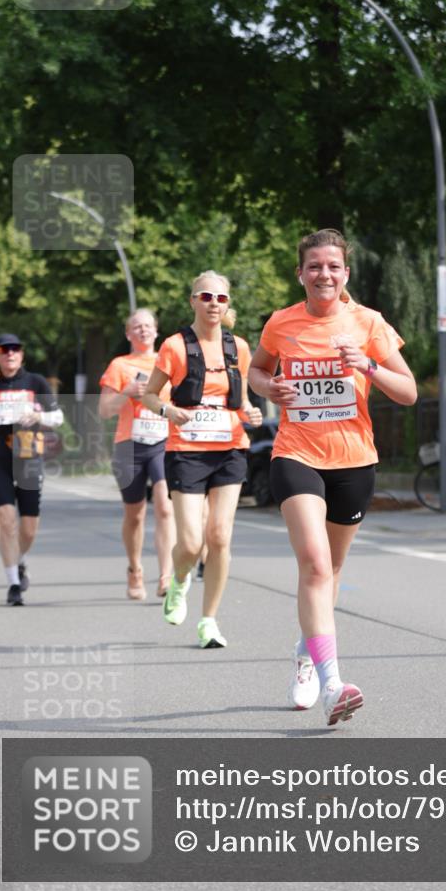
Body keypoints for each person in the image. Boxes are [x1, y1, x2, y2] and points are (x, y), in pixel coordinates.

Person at [248, 229, 417, 725]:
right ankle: (331, 683)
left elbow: (407, 391)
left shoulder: (368, 322)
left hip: (354, 459)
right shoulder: (281, 323)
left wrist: (366, 365)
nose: (324, 274)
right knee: (316, 565)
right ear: (300, 273)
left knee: (333, 571)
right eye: (315, 266)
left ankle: (306, 652)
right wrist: (270, 388)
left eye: (333, 266)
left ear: (346, 273)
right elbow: (257, 371)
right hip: (296, 453)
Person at [143, 271, 262, 648]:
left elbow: (240, 400)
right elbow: (149, 395)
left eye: (221, 298)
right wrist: (168, 412)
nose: (214, 303)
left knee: (220, 536)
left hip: (229, 448)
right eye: (206, 296)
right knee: (192, 543)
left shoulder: (239, 347)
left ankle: (209, 621)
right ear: (193, 300)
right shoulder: (175, 346)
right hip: (187, 451)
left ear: (227, 305)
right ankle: (179, 582)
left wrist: (251, 413)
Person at [99, 309, 175, 600]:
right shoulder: (120, 365)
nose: (143, 331)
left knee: (165, 507)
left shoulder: (167, 362)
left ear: (156, 331)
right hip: (129, 445)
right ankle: (135, 569)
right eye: (136, 327)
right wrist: (128, 391)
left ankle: (166, 575)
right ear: (128, 334)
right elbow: (105, 411)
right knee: (135, 515)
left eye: (148, 326)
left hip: (162, 441)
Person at [0, 333, 64, 606]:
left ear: (22, 354)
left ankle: (19, 561)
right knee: (6, 520)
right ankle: (13, 585)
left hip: (29, 459)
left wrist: (39, 416)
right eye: (4, 350)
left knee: (28, 528)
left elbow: (58, 417)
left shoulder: (36, 382)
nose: (9, 354)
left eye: (15, 349)